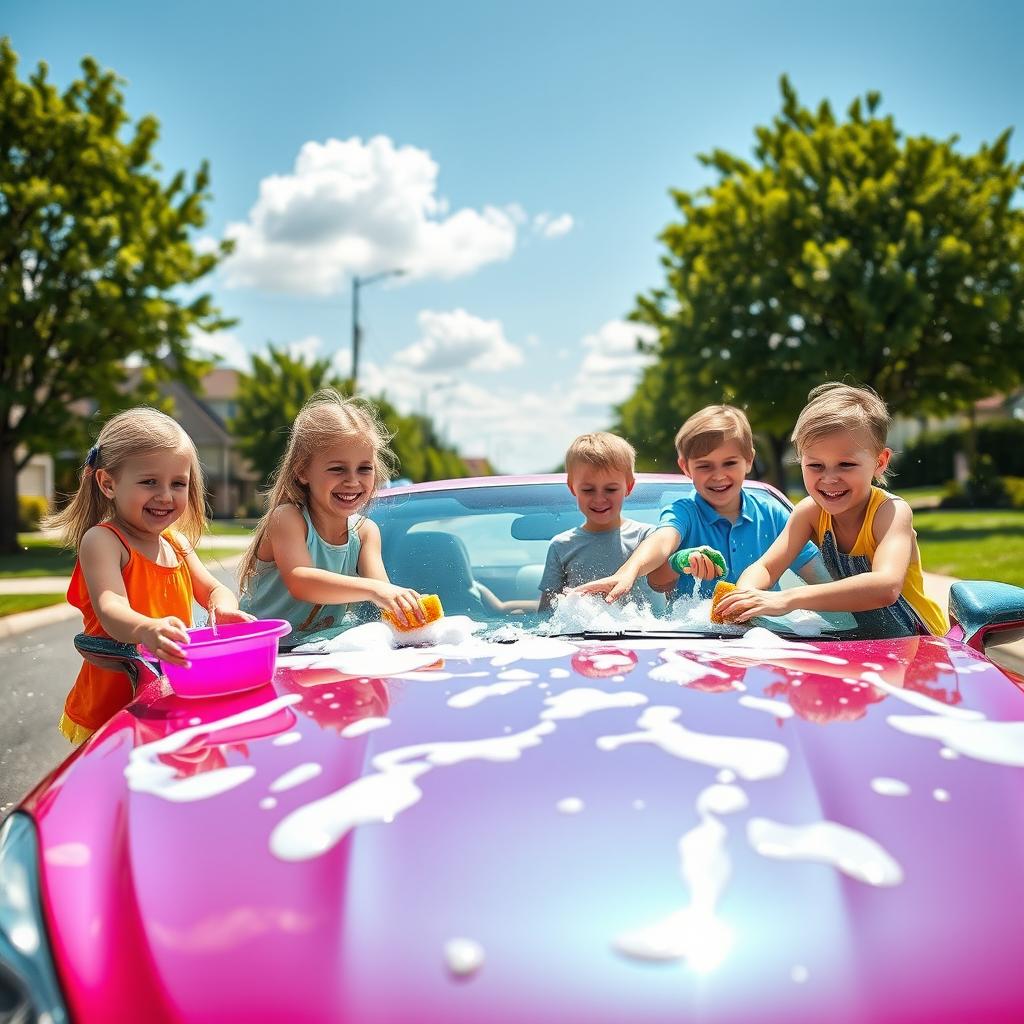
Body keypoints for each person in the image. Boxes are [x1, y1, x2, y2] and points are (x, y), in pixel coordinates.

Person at [43, 408, 251, 743]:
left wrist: (222, 607)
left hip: (167, 693)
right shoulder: (105, 541)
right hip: (113, 706)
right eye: (149, 482)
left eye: (178, 483)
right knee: (115, 789)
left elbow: (213, 589)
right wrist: (147, 628)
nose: (166, 495)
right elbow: (111, 610)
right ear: (108, 483)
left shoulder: (177, 543)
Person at [715, 383, 949, 635]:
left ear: (879, 462)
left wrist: (788, 599)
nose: (829, 478)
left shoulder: (890, 512)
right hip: (861, 639)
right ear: (801, 462)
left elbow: (885, 586)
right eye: (816, 466)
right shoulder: (809, 513)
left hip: (919, 641)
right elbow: (767, 567)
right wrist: (746, 595)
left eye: (846, 464)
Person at [575, 406, 821, 604]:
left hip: (764, 642)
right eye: (705, 466)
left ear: (748, 461)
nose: (718, 475)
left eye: (729, 463)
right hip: (695, 642)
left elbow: (818, 577)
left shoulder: (773, 514)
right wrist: (630, 571)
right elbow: (661, 548)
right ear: (686, 468)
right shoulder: (683, 512)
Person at [238, 389, 427, 642]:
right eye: (337, 469)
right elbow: (301, 582)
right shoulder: (288, 518)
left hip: (320, 652)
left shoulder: (365, 532)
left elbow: (385, 597)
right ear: (303, 472)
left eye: (364, 468)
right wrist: (378, 590)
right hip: (264, 653)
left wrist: (406, 609)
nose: (352, 481)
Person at [538, 432, 661, 611]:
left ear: (629, 487)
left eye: (610, 489)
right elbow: (546, 613)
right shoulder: (561, 546)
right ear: (572, 487)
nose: (599, 499)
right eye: (588, 490)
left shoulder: (648, 538)